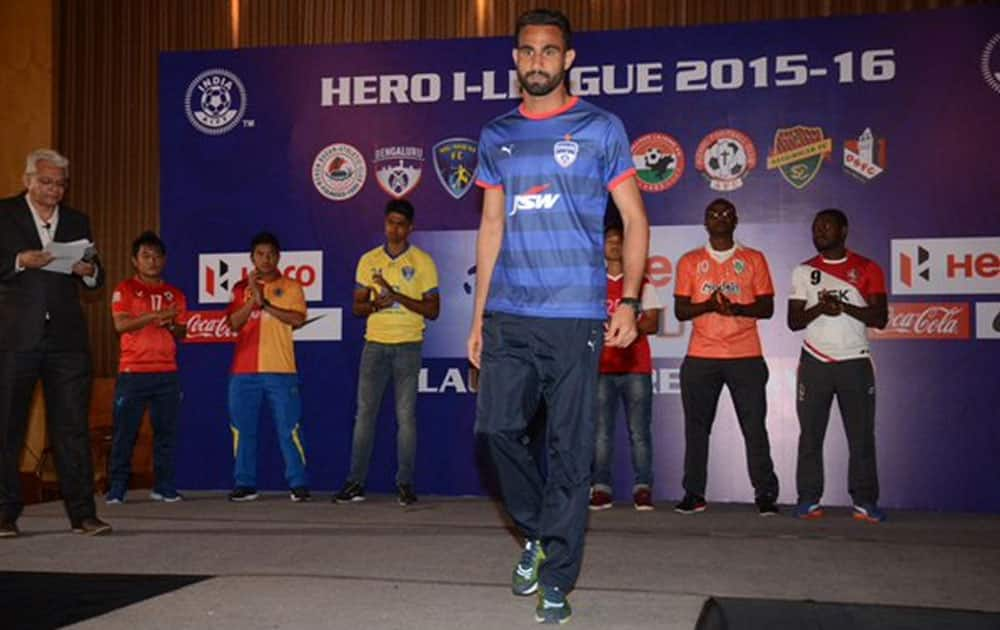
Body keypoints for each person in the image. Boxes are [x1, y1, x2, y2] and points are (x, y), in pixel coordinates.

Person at [467, 9, 649, 624]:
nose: (538, 61)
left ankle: (558, 579)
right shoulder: (496, 135)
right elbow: (491, 227)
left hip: (576, 314)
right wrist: (477, 318)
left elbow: (635, 219)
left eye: (550, 52)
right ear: (515, 59)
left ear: (568, 59)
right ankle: (542, 534)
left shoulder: (601, 128)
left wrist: (629, 300)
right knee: (494, 431)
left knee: (572, 452)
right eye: (528, 51)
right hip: (509, 314)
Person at [0, 148, 111, 537]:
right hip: (15, 338)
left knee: (72, 429)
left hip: (67, 340)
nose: (54, 190)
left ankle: (83, 514)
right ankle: (4, 514)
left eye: (61, 183)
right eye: (46, 182)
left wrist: (89, 271)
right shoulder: (4, 214)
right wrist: (17, 261)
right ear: (28, 180)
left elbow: (97, 275)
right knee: (7, 427)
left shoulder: (78, 220)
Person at [673, 198, 779, 517]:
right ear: (705, 223)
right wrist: (708, 305)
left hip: (745, 354)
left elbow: (767, 307)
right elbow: (680, 310)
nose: (719, 218)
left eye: (726, 214)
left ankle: (765, 495)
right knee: (696, 427)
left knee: (754, 426)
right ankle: (694, 493)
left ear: (736, 220)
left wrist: (737, 309)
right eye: (713, 215)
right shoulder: (690, 261)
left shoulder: (754, 258)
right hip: (701, 355)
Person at [335, 199, 439, 507]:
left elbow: (433, 310)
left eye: (400, 224)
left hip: (408, 345)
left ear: (410, 228)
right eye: (390, 222)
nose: (394, 228)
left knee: (406, 417)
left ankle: (405, 484)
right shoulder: (368, 261)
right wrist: (375, 304)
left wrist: (397, 297)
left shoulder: (423, 262)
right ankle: (355, 482)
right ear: (385, 224)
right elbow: (357, 307)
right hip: (375, 345)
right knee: (364, 416)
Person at [788, 209, 888, 523]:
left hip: (855, 361)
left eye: (826, 226)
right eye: (816, 227)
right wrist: (821, 306)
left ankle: (864, 501)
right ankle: (808, 499)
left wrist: (843, 307)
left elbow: (880, 318)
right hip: (815, 361)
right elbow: (793, 321)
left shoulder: (868, 268)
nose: (819, 231)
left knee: (861, 436)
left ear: (843, 230)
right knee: (810, 435)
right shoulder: (803, 271)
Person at [225, 232, 310, 502]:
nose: (266, 259)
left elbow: (297, 319)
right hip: (243, 371)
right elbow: (233, 323)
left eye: (271, 254)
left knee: (289, 429)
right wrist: (253, 299)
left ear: (278, 257)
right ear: (252, 258)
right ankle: (245, 483)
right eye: (260, 254)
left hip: (281, 370)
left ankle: (298, 483)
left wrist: (267, 303)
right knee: (243, 429)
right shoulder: (240, 288)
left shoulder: (292, 286)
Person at [106, 231, 187, 504]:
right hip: (133, 372)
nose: (152, 261)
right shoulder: (125, 289)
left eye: (157, 256)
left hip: (167, 373)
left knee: (166, 433)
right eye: (146, 256)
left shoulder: (174, 294)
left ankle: (163, 486)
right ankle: (117, 487)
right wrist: (153, 316)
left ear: (164, 260)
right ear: (134, 260)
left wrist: (171, 325)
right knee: (124, 433)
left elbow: (182, 332)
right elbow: (121, 325)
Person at [590, 223, 662, 512]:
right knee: (601, 432)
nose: (616, 245)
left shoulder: (643, 283)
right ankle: (601, 487)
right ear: (602, 247)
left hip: (636, 367)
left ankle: (643, 487)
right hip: (601, 369)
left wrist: (629, 322)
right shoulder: (592, 284)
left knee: (639, 432)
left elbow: (653, 322)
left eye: (621, 240)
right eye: (610, 240)